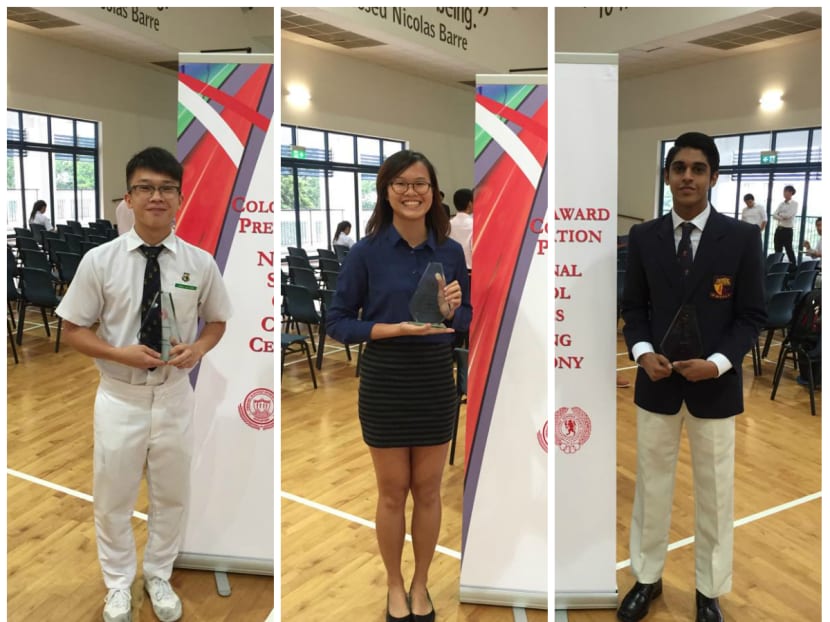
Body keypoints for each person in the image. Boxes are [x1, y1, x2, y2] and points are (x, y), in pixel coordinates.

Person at [57, 147, 232, 622]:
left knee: (172, 495)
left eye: (167, 189)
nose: (157, 197)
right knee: (113, 496)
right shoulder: (100, 261)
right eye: (146, 188)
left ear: (179, 199)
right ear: (129, 198)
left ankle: (158, 573)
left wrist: (198, 349)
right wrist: (118, 353)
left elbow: (217, 321)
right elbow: (73, 330)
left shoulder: (200, 262)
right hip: (120, 396)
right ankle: (118, 583)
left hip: (175, 396)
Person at [619, 132, 766, 622]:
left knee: (716, 493)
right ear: (667, 176)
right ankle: (647, 578)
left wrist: (720, 363)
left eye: (698, 168)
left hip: (715, 387)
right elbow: (633, 308)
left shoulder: (742, 239)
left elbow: (751, 316)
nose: (687, 176)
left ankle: (709, 590)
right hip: (657, 385)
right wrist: (641, 353)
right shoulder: (644, 238)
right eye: (678, 167)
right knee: (652, 487)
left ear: (714, 177)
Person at [327, 150, 471, 622]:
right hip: (386, 380)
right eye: (401, 184)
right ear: (386, 191)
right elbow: (338, 321)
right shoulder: (367, 252)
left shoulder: (450, 251)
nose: (412, 192)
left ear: (434, 191)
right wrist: (391, 329)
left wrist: (452, 312)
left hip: (434, 379)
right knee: (392, 491)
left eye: (421, 183)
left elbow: (466, 317)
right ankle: (393, 583)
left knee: (428, 490)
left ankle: (422, 583)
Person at [771, 185, 798, 265]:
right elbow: (774, 215)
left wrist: (780, 215)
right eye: (784, 191)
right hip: (779, 229)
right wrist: (782, 216)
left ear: (791, 193)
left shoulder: (794, 203)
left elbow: (789, 215)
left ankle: (793, 268)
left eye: (786, 191)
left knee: (789, 249)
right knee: (777, 249)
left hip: (787, 230)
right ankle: (778, 266)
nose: (784, 193)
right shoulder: (781, 204)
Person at [449, 188, 473, 271]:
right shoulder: (474, 224)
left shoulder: (448, 224)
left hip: (453, 269)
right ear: (470, 204)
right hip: (470, 269)